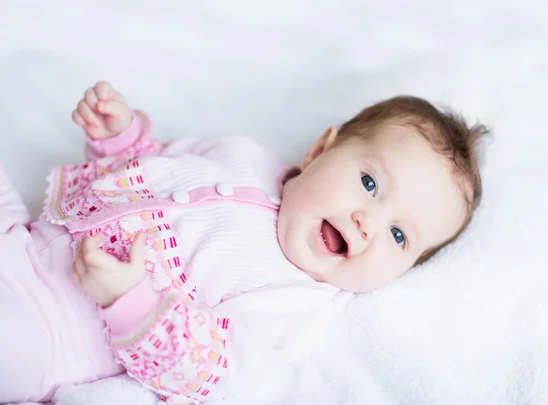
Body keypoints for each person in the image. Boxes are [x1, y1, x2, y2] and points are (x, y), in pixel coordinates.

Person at [0, 81, 488, 404]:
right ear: (320, 149)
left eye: (398, 235)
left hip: (53, 330)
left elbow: (201, 369)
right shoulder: (240, 154)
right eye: (369, 184)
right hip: (23, 241)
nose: (367, 222)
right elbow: (158, 162)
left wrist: (129, 300)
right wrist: (119, 141)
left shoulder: (294, 302)